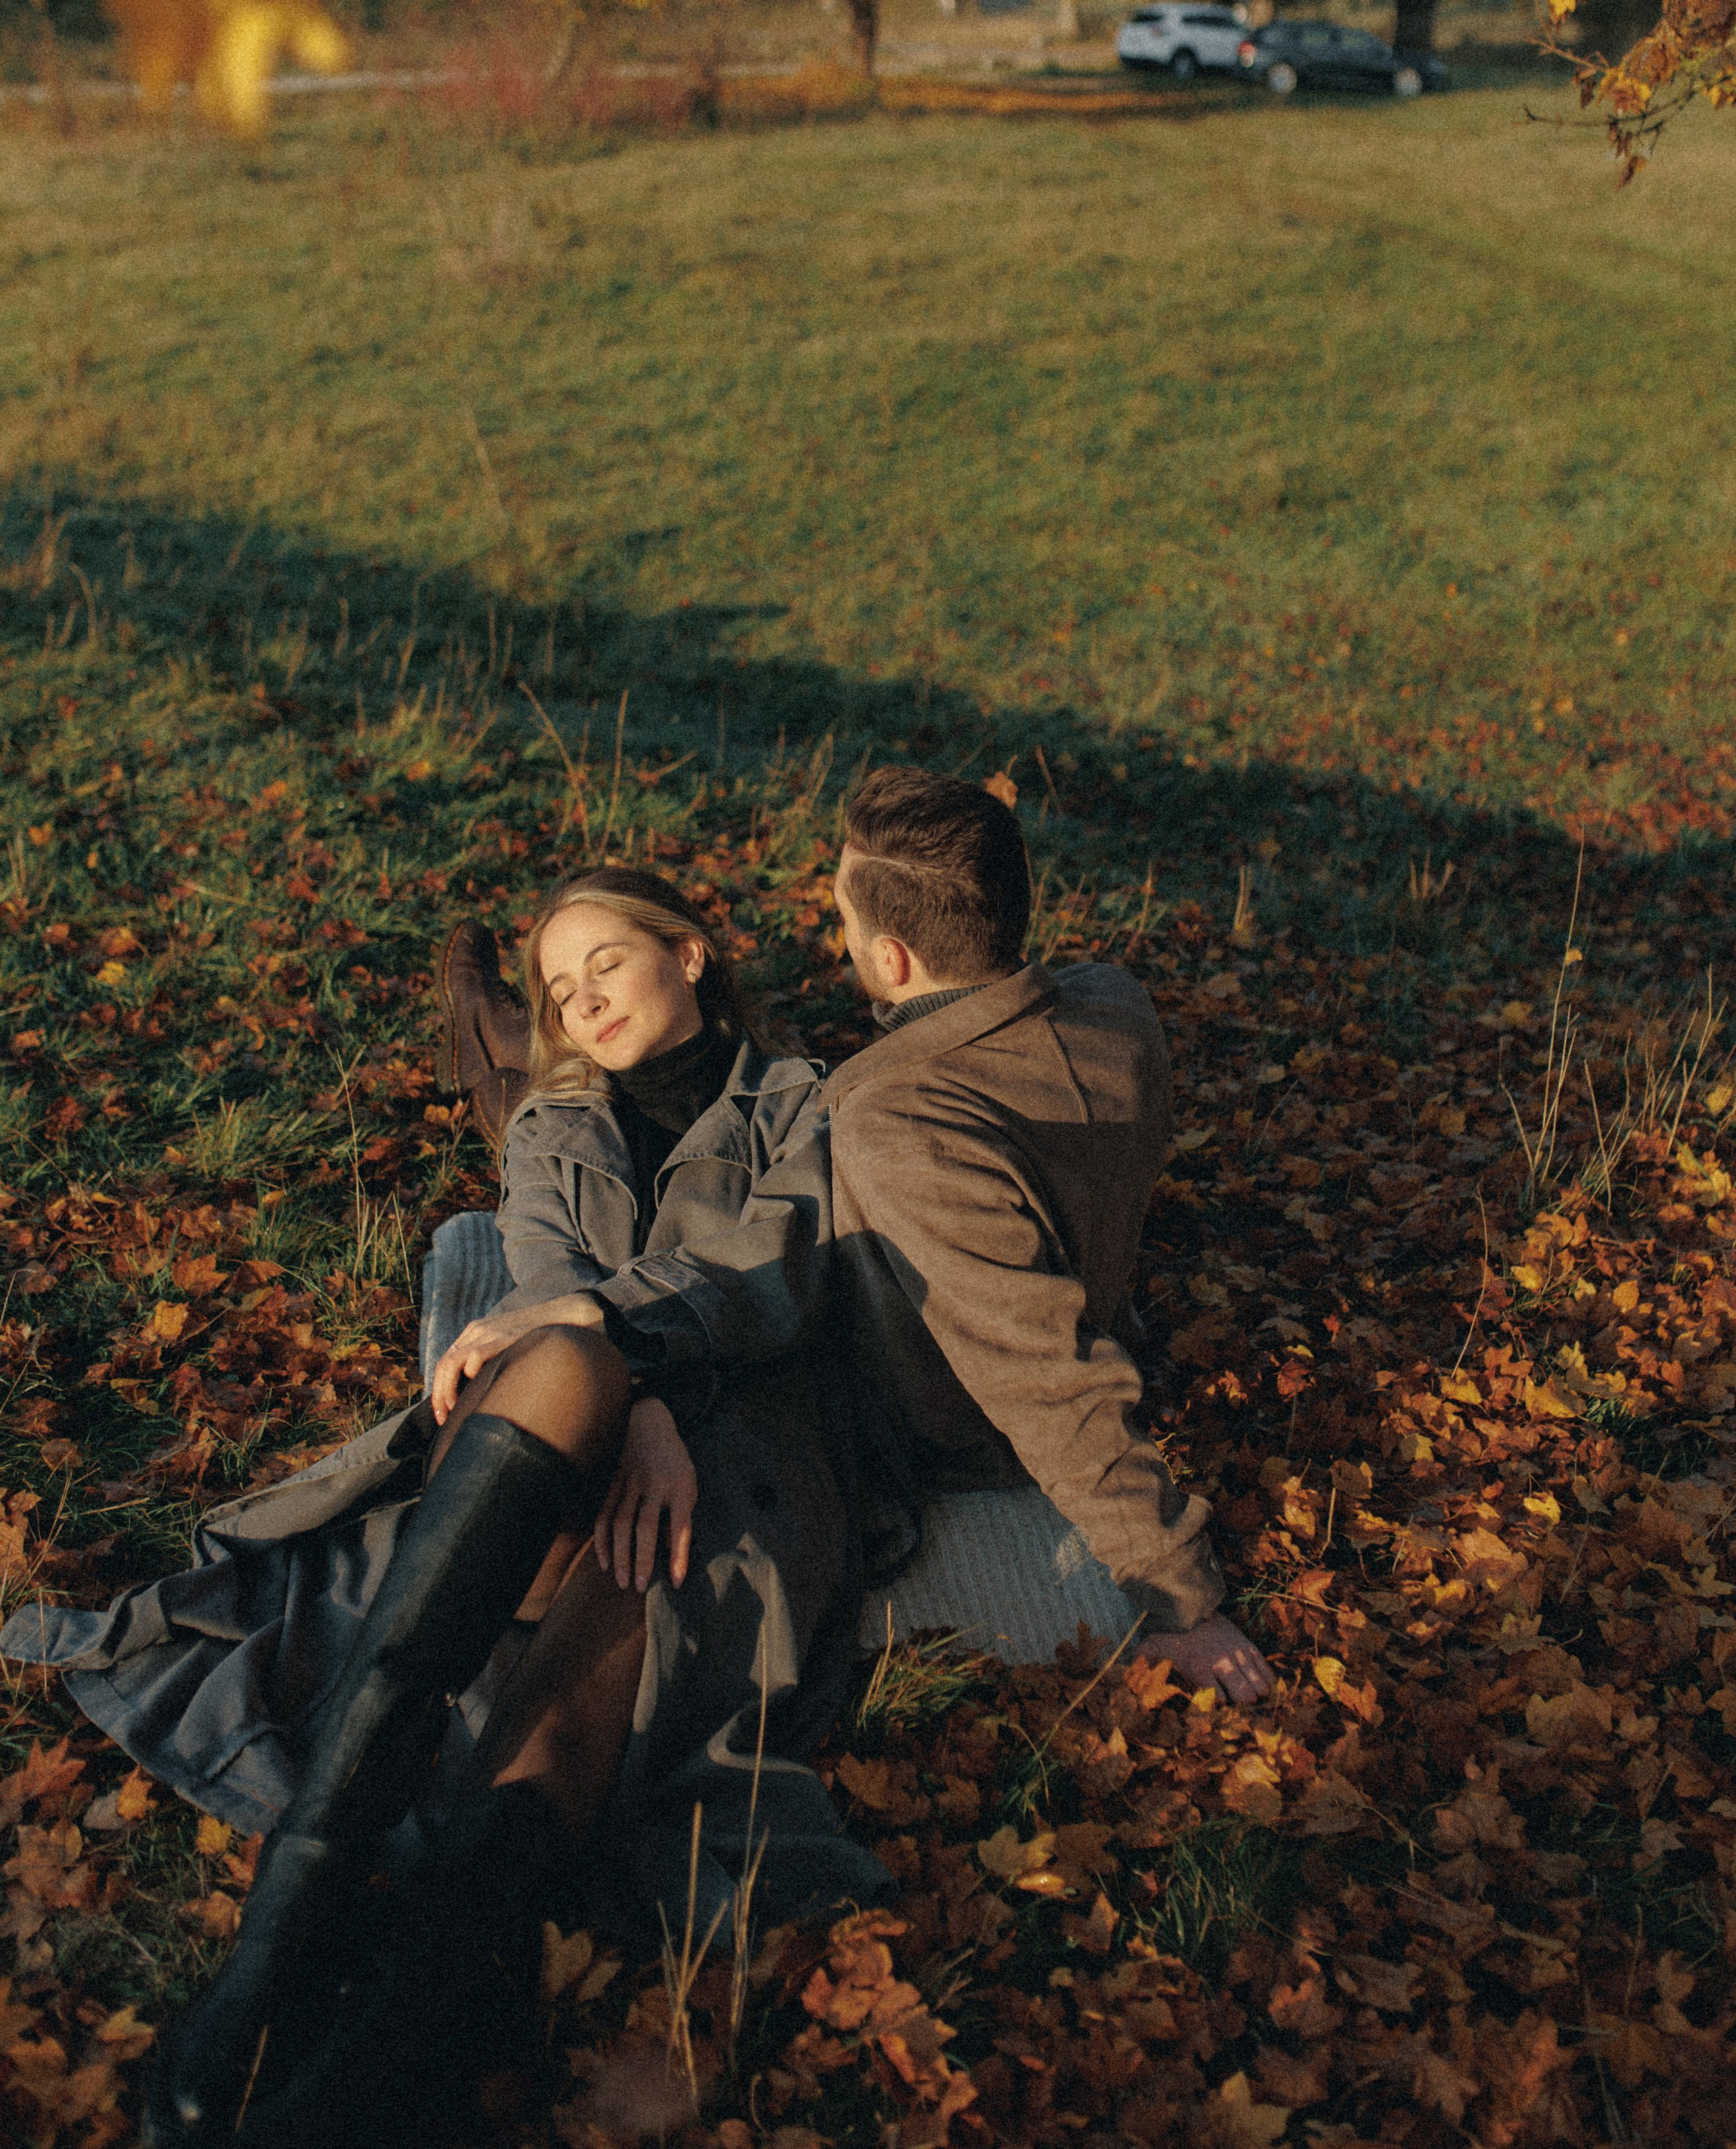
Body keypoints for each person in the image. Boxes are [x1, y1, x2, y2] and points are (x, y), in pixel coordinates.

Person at [3, 869, 884, 2147]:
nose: (583, 1005)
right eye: (559, 992)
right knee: (565, 1364)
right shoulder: (549, 1121)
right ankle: (285, 1929)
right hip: (580, 1420)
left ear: (690, 955)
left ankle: (420, 2011)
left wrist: (644, 1382)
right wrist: (630, 1391)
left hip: (743, 1440)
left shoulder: (798, 1098)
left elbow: (778, 1276)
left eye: (607, 966)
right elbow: (545, 1280)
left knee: (632, 1618)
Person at [827, 766, 1274, 1705]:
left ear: (895, 959)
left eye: (847, 922)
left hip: (921, 1421)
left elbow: (1042, 1368)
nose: (843, 940)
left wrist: (1179, 1596)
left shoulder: (904, 1127)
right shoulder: (1115, 1001)